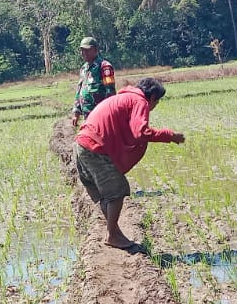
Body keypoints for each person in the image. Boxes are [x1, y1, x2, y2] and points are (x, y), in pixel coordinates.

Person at [75, 77, 185, 250]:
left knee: (106, 195)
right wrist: (169, 136)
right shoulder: (139, 101)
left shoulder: (124, 97)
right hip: (94, 147)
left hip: (81, 144)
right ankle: (113, 235)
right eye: (157, 102)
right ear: (153, 97)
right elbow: (140, 132)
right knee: (117, 191)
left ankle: (115, 232)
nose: (155, 106)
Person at [71, 37, 116, 127]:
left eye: (87, 50)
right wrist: (76, 112)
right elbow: (79, 91)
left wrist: (108, 114)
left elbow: (110, 92)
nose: (84, 53)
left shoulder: (105, 67)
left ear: (95, 50)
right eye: (82, 50)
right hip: (87, 116)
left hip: (100, 116)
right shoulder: (84, 68)